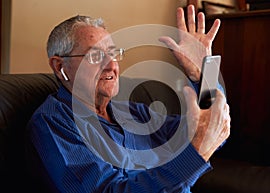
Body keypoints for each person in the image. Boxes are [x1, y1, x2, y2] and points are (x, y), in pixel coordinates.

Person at [26, 4, 230, 193]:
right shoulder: (53, 121)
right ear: (60, 66)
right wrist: (195, 156)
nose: (111, 66)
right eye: (95, 56)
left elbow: (211, 129)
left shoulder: (135, 112)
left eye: (113, 54)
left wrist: (203, 74)